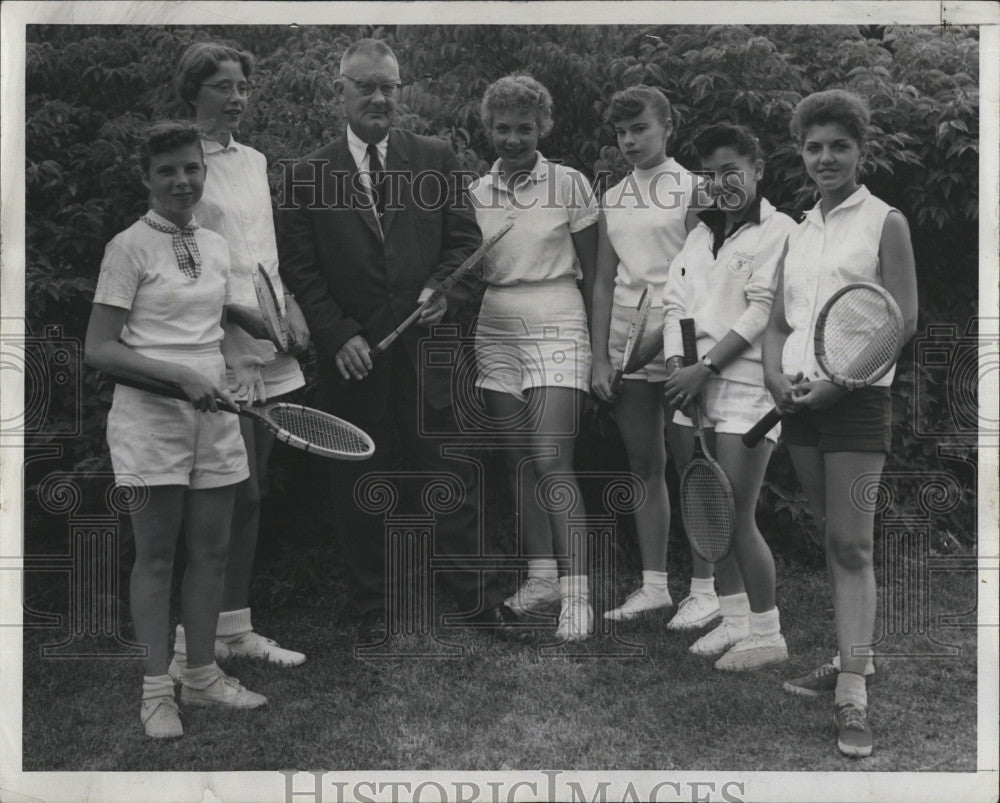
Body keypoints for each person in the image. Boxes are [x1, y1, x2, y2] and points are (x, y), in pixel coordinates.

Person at [277, 38, 522, 642]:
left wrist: (446, 290)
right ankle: (374, 608)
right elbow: (300, 271)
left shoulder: (435, 158)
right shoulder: (307, 175)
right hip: (353, 361)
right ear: (341, 92)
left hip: (429, 350)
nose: (380, 97)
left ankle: (476, 600)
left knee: (454, 476)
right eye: (366, 86)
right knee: (361, 483)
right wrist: (337, 336)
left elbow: (465, 248)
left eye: (390, 86)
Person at [85, 122, 271, 739]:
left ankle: (200, 674)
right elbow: (100, 350)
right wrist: (179, 378)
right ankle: (155, 691)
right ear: (147, 178)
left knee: (212, 550)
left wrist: (249, 318)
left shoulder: (215, 245)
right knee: (157, 557)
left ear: (203, 170)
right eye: (167, 171)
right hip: (149, 421)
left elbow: (203, 311)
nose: (182, 181)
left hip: (213, 416)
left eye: (191, 168)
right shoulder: (127, 247)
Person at [761, 89, 917, 757]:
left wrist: (840, 383)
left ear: (860, 151)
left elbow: (902, 319)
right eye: (814, 146)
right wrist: (775, 376)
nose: (826, 157)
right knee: (833, 538)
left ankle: (853, 688)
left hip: (854, 403)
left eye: (839, 146)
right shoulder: (798, 230)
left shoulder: (886, 222)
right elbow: (776, 322)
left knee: (852, 545)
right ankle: (856, 654)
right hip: (799, 406)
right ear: (802, 153)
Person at [167, 42, 310, 679]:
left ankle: (234, 628)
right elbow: (185, 260)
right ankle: (193, 636)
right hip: (217, 341)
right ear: (193, 91)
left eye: (243, 86)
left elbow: (262, 253)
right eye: (223, 86)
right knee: (227, 492)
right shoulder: (183, 162)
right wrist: (244, 319)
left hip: (270, 341)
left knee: (251, 496)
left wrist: (290, 310)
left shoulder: (253, 160)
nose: (237, 97)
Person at [468, 75, 599, 641]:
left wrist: (600, 352)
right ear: (488, 129)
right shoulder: (476, 193)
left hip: (558, 318)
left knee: (552, 462)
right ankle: (541, 577)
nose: (513, 138)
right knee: (518, 461)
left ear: (542, 127)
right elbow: (465, 270)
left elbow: (596, 273)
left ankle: (578, 594)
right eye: (503, 128)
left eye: (525, 127)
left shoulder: (569, 184)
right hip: (495, 325)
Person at [663, 123, 796, 670]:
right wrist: (679, 367)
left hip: (745, 389)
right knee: (708, 513)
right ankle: (735, 619)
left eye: (732, 172)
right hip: (691, 386)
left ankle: (768, 634)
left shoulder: (780, 230)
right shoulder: (698, 237)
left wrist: (706, 368)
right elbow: (675, 305)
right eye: (711, 175)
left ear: (758, 169)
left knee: (737, 515)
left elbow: (764, 311)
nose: (722, 184)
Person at [591, 85, 700, 622]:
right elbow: (604, 282)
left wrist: (670, 340)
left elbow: (705, 277)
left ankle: (705, 589)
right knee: (643, 464)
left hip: (685, 343)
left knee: (693, 462)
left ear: (667, 126)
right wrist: (601, 358)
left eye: (641, 129)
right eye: (621, 132)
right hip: (625, 349)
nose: (630, 141)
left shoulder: (694, 190)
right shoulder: (611, 198)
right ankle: (654, 584)